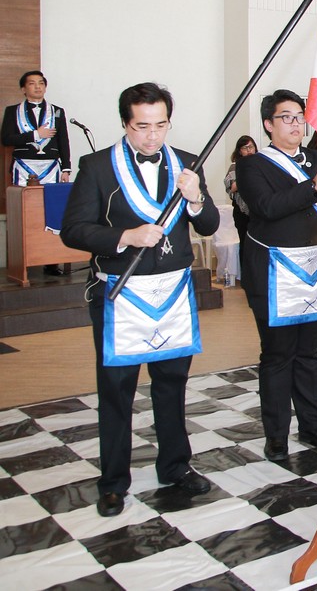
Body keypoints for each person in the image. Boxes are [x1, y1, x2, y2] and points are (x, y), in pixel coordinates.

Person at [61, 82, 218, 517]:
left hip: (172, 293)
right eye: (142, 127)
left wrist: (196, 198)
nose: (153, 136)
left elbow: (208, 225)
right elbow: (73, 229)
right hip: (121, 292)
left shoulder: (187, 163)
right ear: (125, 124)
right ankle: (113, 482)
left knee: (172, 384)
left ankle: (176, 466)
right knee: (117, 390)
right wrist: (125, 236)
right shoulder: (97, 166)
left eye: (161, 125)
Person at [236, 89, 317, 462]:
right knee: (278, 355)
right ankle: (276, 435)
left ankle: (312, 425)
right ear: (268, 124)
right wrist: (313, 186)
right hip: (273, 272)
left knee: (309, 353)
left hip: (315, 268)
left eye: (299, 117)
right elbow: (267, 207)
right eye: (286, 117)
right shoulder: (253, 165)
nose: (295, 124)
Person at [2, 69, 72, 188]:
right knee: (24, 199)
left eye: (41, 83)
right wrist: (36, 135)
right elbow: (6, 139)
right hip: (24, 164)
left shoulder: (57, 111)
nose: (37, 87)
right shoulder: (12, 111)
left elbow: (63, 141)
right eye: (32, 83)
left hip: (50, 165)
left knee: (51, 199)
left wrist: (66, 168)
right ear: (23, 89)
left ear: (45, 88)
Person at [223, 135, 257, 250]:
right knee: (245, 244)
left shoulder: (260, 164)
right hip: (242, 211)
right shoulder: (235, 166)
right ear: (239, 151)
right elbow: (232, 187)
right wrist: (249, 176)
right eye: (245, 148)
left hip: (258, 210)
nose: (249, 150)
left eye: (251, 147)